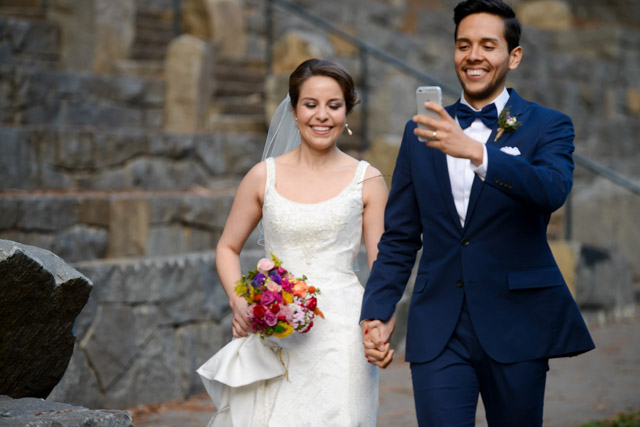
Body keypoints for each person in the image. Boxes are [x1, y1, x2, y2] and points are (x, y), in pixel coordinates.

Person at [360, 1, 595, 426]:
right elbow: (400, 235)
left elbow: (551, 190)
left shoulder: (549, 125)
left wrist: (478, 152)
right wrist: (377, 309)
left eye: (489, 45)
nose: (474, 56)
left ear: (513, 56)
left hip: (517, 322)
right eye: (464, 45)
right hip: (438, 326)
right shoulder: (421, 133)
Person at [210, 58, 388, 426]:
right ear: (293, 111)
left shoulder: (368, 180)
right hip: (276, 330)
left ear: (346, 112)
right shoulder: (262, 177)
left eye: (333, 106)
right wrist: (239, 300)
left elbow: (382, 264)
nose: (321, 116)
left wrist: (382, 323)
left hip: (343, 334)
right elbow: (227, 247)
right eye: (310, 105)